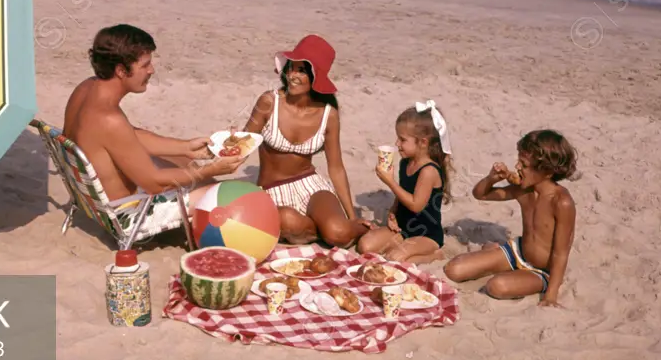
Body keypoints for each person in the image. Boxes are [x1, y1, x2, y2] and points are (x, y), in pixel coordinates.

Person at [63, 24, 245, 230]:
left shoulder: (87, 89)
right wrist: (209, 170)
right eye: (145, 65)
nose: (152, 70)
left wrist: (186, 147)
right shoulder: (109, 119)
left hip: (92, 201)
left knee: (182, 159)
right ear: (121, 70)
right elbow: (154, 183)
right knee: (235, 194)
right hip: (128, 214)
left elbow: (129, 137)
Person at [241, 34, 372, 247]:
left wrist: (351, 216)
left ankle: (360, 229)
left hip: (311, 186)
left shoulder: (328, 114)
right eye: (291, 67)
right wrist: (221, 151)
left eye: (301, 70)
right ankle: (319, 230)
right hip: (273, 190)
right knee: (288, 221)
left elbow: (336, 168)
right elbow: (242, 145)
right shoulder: (269, 102)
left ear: (315, 76)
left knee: (338, 232)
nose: (292, 74)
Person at [443, 130, 578, 307]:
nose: (517, 166)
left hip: (542, 270)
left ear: (547, 171)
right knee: (454, 270)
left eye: (524, 164)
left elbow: (561, 253)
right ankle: (494, 254)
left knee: (496, 286)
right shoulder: (523, 189)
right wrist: (491, 179)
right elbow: (481, 195)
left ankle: (497, 257)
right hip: (518, 252)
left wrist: (550, 296)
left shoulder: (562, 202)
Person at [357, 100, 453, 263]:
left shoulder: (428, 171)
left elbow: (416, 205)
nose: (397, 144)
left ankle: (435, 255)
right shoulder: (405, 163)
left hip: (426, 233)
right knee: (365, 246)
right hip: (403, 227)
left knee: (396, 259)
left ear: (423, 142)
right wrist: (393, 212)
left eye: (402, 140)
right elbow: (403, 194)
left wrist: (390, 182)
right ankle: (405, 244)